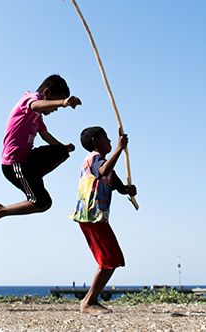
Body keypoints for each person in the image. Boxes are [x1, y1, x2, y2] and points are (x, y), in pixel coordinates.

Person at [0, 75, 81, 227]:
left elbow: (46, 136)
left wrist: (63, 147)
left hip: (27, 160)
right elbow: (35, 105)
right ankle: (1, 210)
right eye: (54, 103)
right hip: (15, 163)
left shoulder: (38, 117)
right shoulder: (30, 99)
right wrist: (62, 103)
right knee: (43, 203)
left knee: (62, 152)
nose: (54, 109)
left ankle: (35, 175)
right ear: (46, 93)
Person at [70, 126, 137, 314]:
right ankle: (89, 302)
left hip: (98, 217)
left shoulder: (104, 162)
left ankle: (90, 300)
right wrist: (119, 148)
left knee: (112, 258)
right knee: (109, 259)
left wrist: (128, 191)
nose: (109, 141)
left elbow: (118, 185)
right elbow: (101, 172)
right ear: (95, 141)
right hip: (90, 215)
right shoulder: (92, 158)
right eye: (105, 138)